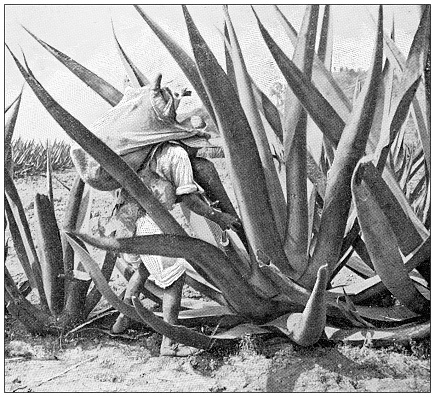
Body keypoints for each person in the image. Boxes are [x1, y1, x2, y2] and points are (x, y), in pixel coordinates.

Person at [97, 75, 240, 357]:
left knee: (143, 269)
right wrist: (220, 217)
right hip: (151, 224)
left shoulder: (146, 150)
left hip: (127, 222)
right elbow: (190, 201)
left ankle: (121, 321)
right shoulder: (175, 154)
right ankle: (170, 343)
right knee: (174, 281)